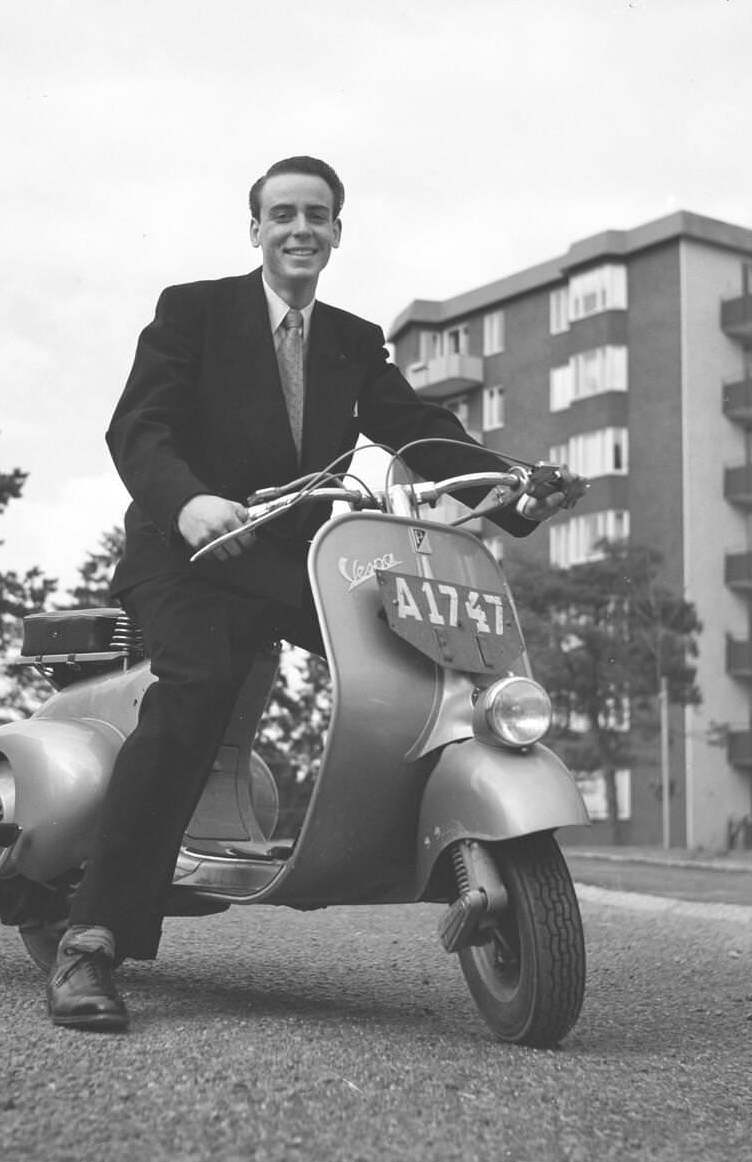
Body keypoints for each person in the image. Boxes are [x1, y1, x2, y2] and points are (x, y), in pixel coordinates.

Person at [46, 156, 585, 1031]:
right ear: (254, 228)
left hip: (296, 559)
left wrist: (515, 482)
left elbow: (421, 430)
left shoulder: (349, 337)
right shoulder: (194, 310)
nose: (301, 228)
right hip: (187, 552)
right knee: (196, 690)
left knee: (424, 649)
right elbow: (135, 425)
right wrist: (187, 501)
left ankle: (424, 838)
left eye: (319, 215)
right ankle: (91, 940)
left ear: (338, 231)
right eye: (284, 213)